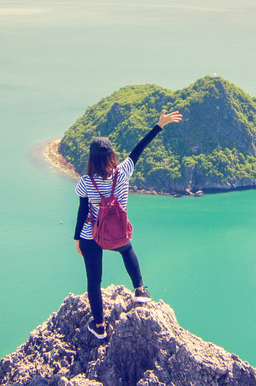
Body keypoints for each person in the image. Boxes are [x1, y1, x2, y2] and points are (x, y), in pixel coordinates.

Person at [72, 109, 183, 339]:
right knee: (127, 249)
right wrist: (159, 125)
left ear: (91, 159)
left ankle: (100, 327)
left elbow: (83, 210)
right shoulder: (123, 173)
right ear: (112, 155)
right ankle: (140, 290)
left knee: (94, 281)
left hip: (91, 234)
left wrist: (77, 239)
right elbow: (139, 148)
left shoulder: (86, 181)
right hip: (117, 231)